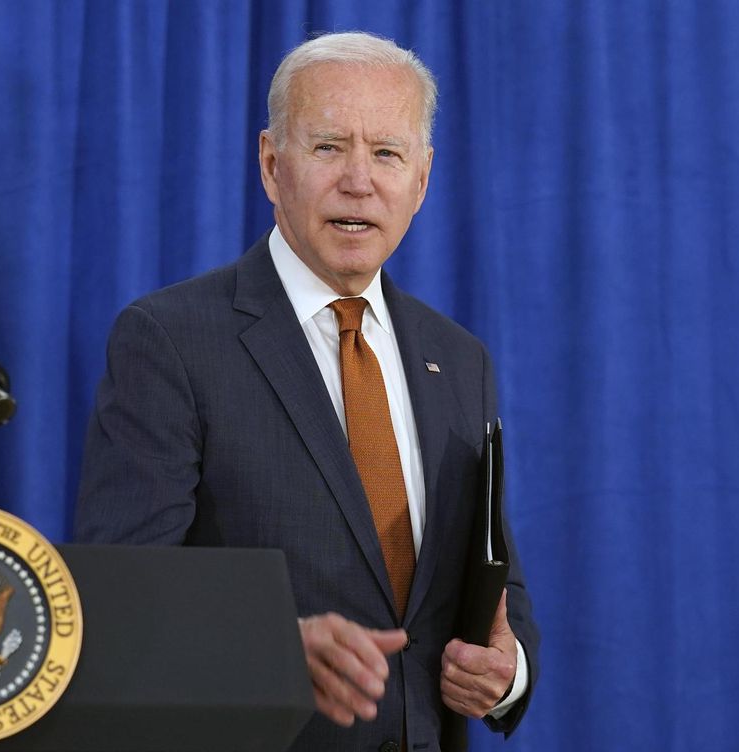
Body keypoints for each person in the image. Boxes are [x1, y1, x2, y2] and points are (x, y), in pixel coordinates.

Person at [76, 31, 539, 752]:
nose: (360, 180)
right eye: (328, 147)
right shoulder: (170, 341)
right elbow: (122, 599)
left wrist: (507, 674)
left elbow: (492, 582)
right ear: (270, 164)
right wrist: (273, 648)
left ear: (421, 180)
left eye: (387, 153)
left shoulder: (459, 359)